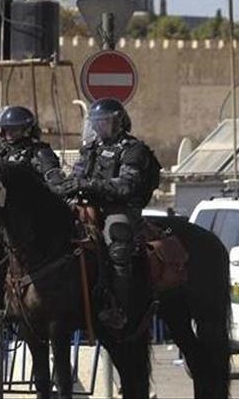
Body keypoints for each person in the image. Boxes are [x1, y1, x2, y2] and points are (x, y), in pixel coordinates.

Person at [63, 98, 161, 329]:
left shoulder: (133, 150)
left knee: (118, 242)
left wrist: (89, 184)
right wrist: (64, 186)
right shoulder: (90, 149)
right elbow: (77, 175)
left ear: (119, 122)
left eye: (105, 121)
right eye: (96, 122)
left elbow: (126, 185)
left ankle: (119, 307)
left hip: (119, 208)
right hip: (87, 206)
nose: (100, 126)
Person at [0, 106, 72, 195]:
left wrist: (56, 184)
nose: (9, 133)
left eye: (14, 129)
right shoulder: (3, 154)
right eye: (6, 129)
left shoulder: (40, 152)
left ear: (26, 130)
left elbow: (54, 179)